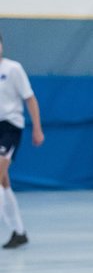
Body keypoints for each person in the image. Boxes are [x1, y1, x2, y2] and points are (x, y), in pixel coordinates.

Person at [0, 32, 43, 248]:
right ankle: (19, 231)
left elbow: (30, 97)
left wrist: (37, 127)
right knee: (3, 180)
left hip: (10, 127)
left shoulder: (13, 69)